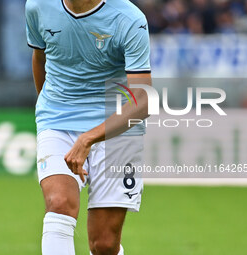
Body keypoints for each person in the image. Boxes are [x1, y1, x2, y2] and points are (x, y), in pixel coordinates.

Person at [25, 0, 151, 254]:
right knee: (59, 204)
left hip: (116, 127)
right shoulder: (37, 6)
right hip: (58, 120)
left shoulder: (129, 19)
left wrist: (88, 139)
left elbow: (144, 99)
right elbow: (40, 57)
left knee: (103, 244)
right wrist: (48, 113)